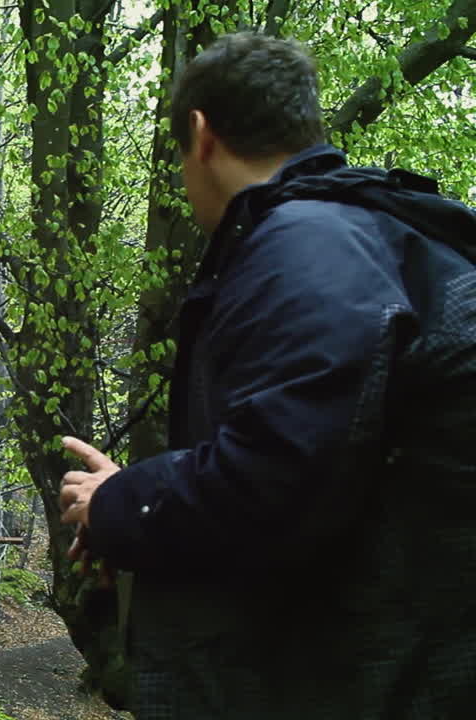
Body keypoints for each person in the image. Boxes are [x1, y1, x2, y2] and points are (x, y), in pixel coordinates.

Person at [57, 31, 476, 718]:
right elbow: (325, 456)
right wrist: (131, 508)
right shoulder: (359, 238)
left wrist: (120, 503)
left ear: (201, 134)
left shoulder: (308, 242)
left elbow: (277, 476)